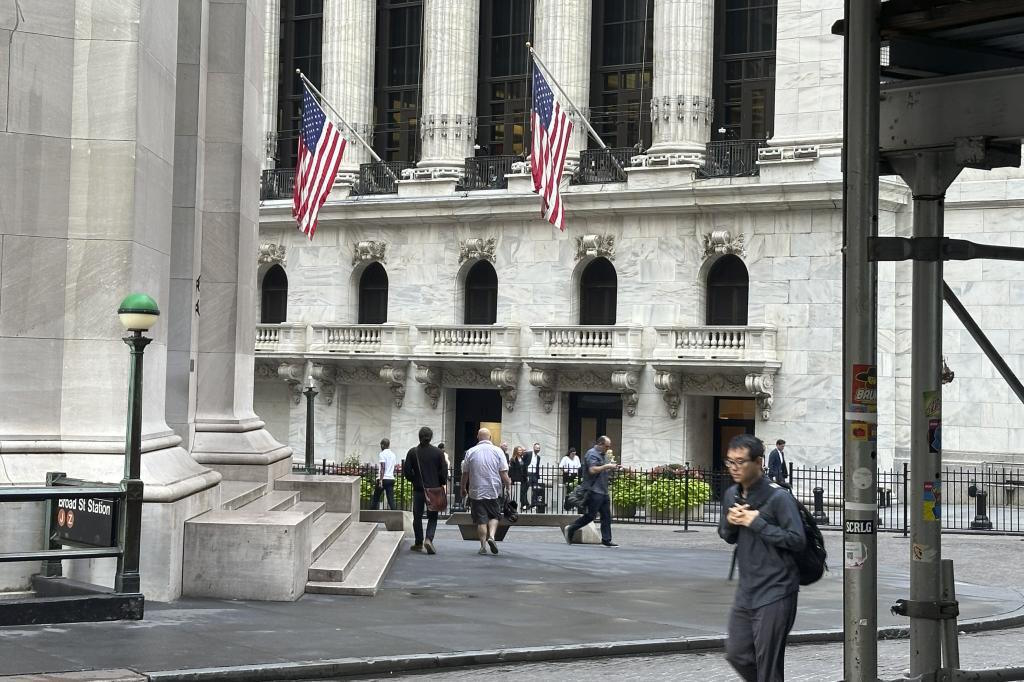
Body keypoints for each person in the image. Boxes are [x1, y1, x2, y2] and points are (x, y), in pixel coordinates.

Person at [719, 434, 805, 682]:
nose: (734, 468)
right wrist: (730, 522)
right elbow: (726, 535)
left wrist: (757, 523)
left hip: (777, 591)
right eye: (729, 462)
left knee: (767, 666)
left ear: (758, 462)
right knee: (737, 654)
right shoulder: (731, 495)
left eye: (740, 462)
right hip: (746, 591)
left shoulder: (780, 498)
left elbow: (797, 540)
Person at [461, 427, 511, 556]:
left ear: (478, 437)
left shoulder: (470, 452)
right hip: (493, 489)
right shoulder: (498, 451)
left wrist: (463, 488)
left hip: (476, 490)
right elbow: (503, 473)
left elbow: (465, 473)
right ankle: (492, 537)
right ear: (490, 437)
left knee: (481, 520)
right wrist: (508, 486)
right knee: (494, 516)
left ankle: (483, 546)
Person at [564, 435, 618, 547]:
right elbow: (592, 470)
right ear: (600, 444)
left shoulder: (603, 455)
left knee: (606, 516)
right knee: (591, 515)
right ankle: (571, 528)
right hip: (594, 490)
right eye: (606, 446)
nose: (608, 449)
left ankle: (606, 539)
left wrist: (613, 468)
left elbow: (603, 471)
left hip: (603, 490)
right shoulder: (592, 454)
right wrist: (607, 466)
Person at [403, 426, 447, 555]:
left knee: (417, 516)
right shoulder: (438, 453)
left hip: (418, 489)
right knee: (433, 516)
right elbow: (443, 471)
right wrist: (441, 482)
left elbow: (407, 472)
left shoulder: (413, 452)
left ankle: (418, 542)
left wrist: (415, 480)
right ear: (431, 437)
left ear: (419, 436)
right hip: (434, 488)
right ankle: (429, 538)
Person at [370, 438, 397, 510]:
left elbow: (383, 467)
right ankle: (396, 516)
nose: (380, 447)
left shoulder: (382, 454)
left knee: (375, 499)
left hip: (383, 478)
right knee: (391, 500)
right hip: (390, 479)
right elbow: (393, 467)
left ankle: (371, 515)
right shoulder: (393, 455)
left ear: (383, 445)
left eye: (381, 445)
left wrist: (381, 480)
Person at [508, 445, 528, 512]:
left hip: (523, 479)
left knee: (522, 492)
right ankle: (514, 507)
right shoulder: (513, 459)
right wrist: (510, 478)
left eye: (521, 450)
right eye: (519, 450)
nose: (520, 451)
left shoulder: (523, 459)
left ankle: (523, 505)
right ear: (516, 451)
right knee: (516, 493)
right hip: (516, 479)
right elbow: (511, 470)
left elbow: (525, 468)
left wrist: (526, 476)